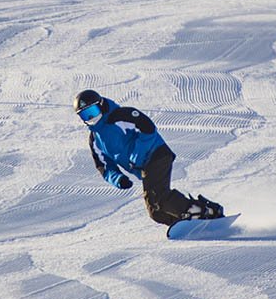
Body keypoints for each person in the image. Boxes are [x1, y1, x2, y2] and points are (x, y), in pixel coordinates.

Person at [73, 89, 224, 226]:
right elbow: (104, 167)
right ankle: (185, 222)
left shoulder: (120, 116)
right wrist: (118, 179)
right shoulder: (95, 139)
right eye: (85, 115)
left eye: (92, 111)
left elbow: (148, 128)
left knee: (158, 196)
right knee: (156, 213)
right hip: (143, 168)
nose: (91, 118)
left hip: (156, 154)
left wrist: (136, 157)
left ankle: (203, 211)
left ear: (101, 105)